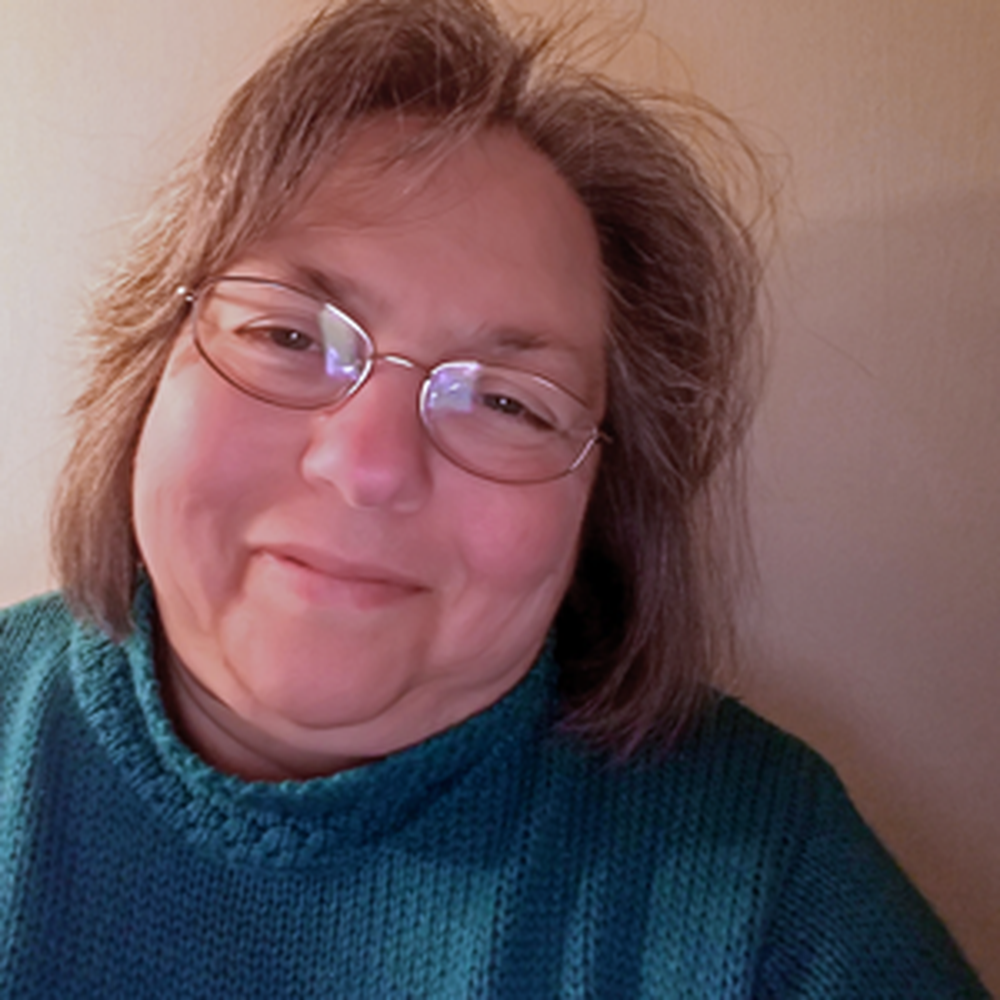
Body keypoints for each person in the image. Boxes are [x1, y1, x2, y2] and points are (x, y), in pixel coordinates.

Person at [0, 0, 987, 995]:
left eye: (506, 401)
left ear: (602, 502)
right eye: (289, 335)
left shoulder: (770, 881)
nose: (369, 464)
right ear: (146, 369)